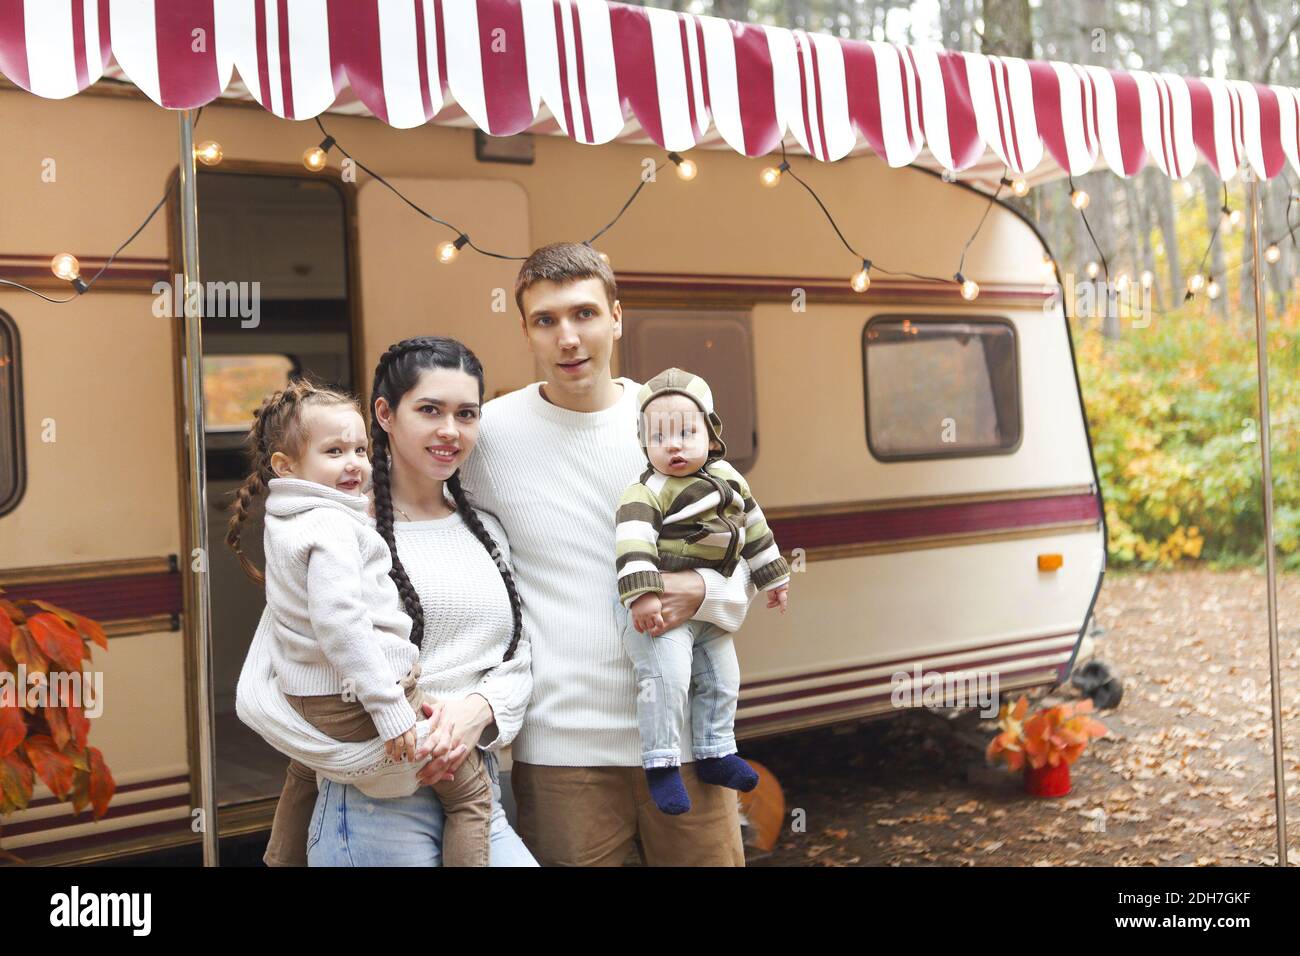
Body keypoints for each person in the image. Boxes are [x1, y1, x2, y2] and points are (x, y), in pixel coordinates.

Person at [457, 242, 756, 866]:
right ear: (525, 330)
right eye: (546, 320)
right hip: (562, 753)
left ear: (616, 318)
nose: (568, 337)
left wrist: (702, 592)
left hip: (687, 746)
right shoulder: (490, 436)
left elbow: (739, 560)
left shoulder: (673, 423)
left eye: (584, 314)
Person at [235, 338, 536, 866]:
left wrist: (479, 711)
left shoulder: (485, 529)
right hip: (374, 804)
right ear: (385, 415)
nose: (449, 430)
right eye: (429, 410)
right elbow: (266, 689)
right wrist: (374, 755)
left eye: (466, 414)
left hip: (477, 793)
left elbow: (519, 655)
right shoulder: (339, 527)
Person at [616, 368, 791, 814]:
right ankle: (661, 764)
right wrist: (643, 596)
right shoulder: (645, 491)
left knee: (722, 678)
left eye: (686, 432)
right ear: (644, 442)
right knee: (667, 681)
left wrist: (774, 576)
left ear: (712, 436)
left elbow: (755, 528)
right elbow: (633, 544)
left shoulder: (731, 479)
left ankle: (716, 751)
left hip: (708, 614)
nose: (673, 445)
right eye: (660, 436)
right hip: (660, 614)